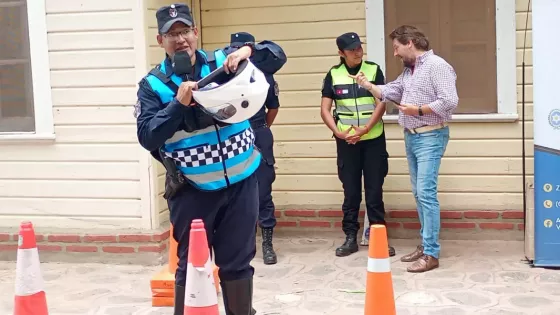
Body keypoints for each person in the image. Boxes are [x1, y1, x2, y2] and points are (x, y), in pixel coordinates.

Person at [134, 4, 286, 314]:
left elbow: (276, 55)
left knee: (238, 264)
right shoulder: (153, 86)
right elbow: (147, 135)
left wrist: (246, 51)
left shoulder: (221, 61)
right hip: (193, 191)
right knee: (192, 267)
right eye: (172, 34)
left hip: (242, 183)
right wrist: (178, 106)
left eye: (185, 31)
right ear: (159, 40)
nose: (181, 40)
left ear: (196, 33)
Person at [352, 25, 458, 273]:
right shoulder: (409, 72)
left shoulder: (437, 66)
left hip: (431, 136)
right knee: (420, 194)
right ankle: (425, 245)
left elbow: (450, 101)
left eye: (397, 48)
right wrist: (368, 85)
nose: (396, 53)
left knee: (426, 194)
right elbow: (390, 91)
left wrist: (418, 111)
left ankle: (431, 253)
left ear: (409, 42)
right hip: (412, 138)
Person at [319, 32, 395, 258]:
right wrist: (338, 133)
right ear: (341, 53)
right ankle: (350, 237)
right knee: (350, 192)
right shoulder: (333, 74)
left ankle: (378, 239)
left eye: (359, 47)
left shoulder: (373, 70)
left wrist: (366, 129)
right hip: (347, 142)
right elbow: (325, 109)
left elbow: (381, 102)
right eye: (351, 49)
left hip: (372, 140)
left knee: (374, 191)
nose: (357, 52)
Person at [225, 32, 280, 265]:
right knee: (232, 189)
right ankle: (237, 241)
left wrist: (260, 127)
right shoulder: (223, 75)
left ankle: (267, 242)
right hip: (232, 132)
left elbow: (273, 108)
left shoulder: (262, 75)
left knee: (263, 187)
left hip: (258, 130)